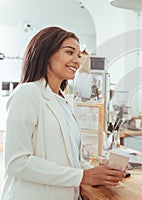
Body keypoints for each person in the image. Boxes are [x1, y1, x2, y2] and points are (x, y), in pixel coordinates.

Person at [0, 26, 126, 200]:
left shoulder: (63, 101)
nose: (77, 61)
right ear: (47, 53)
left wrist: (97, 172)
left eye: (78, 56)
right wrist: (82, 176)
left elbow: (69, 158)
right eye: (69, 52)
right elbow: (17, 162)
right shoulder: (28, 93)